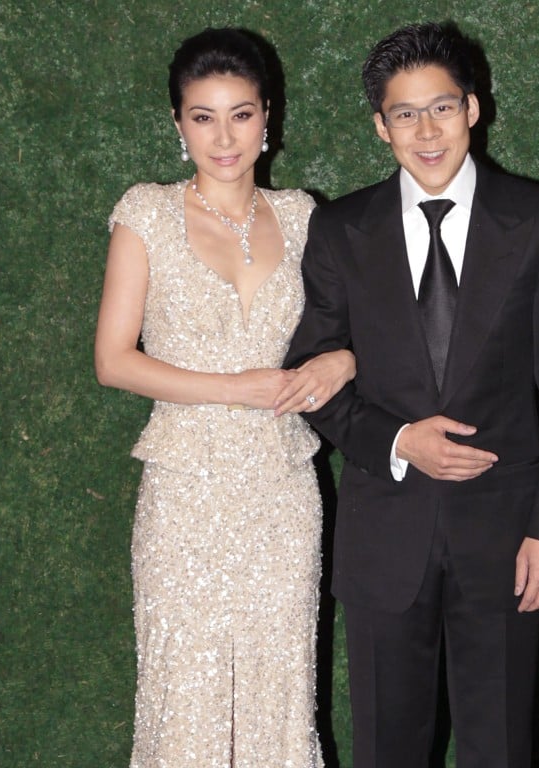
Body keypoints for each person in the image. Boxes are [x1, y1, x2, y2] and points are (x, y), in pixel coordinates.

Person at [285, 21, 539, 768]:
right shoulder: (340, 230)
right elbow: (313, 377)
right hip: (384, 542)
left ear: (474, 109)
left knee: (500, 751)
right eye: (405, 113)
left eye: (443, 108)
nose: (427, 131)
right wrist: (398, 441)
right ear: (379, 125)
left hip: (509, 541)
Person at [94, 27, 354, 768]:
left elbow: (376, 327)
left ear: (267, 116)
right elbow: (113, 361)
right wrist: (234, 388)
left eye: (240, 113)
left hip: (282, 491)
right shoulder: (146, 212)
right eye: (203, 116)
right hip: (185, 490)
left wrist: (342, 357)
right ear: (178, 124)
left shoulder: (306, 216)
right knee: (186, 692)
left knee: (281, 691)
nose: (224, 135)